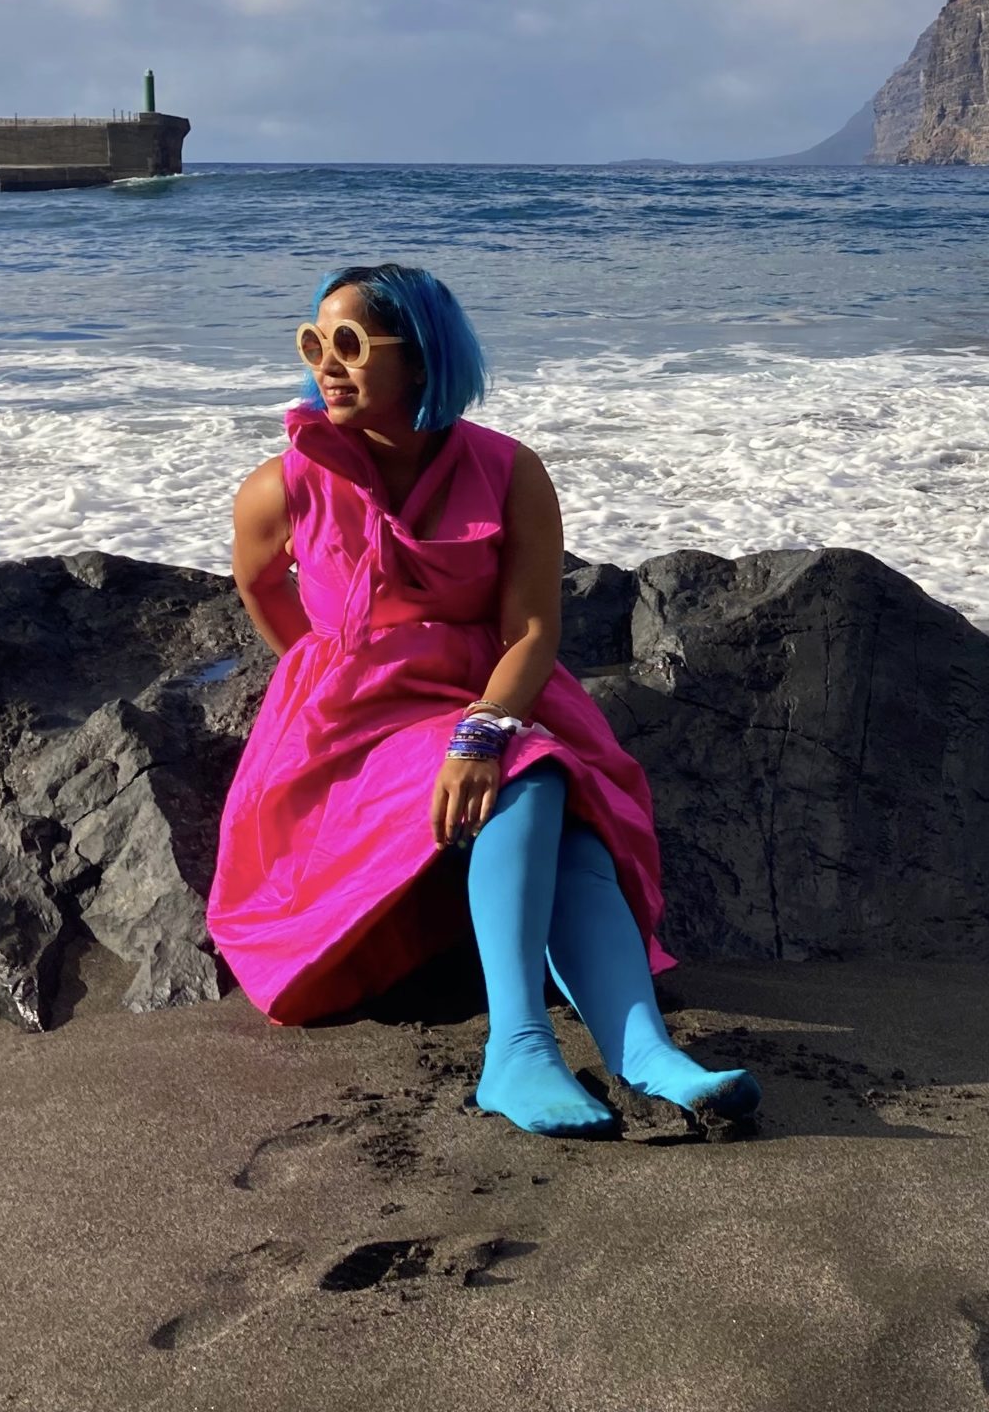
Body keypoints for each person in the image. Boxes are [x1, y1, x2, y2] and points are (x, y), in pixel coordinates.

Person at [209, 262, 757, 1139]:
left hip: (481, 690)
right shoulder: (283, 483)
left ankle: (644, 1051)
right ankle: (520, 1047)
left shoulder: (508, 471)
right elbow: (257, 583)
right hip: (353, 725)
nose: (327, 363)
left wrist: (482, 726)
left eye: (350, 343)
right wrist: (320, 670)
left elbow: (534, 631)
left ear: (420, 359)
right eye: (314, 343)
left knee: (553, 788)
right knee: (534, 778)